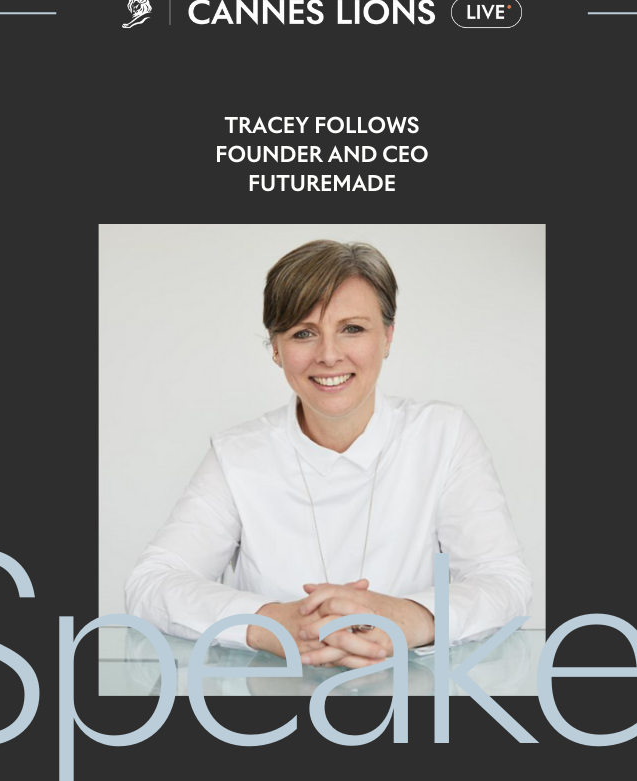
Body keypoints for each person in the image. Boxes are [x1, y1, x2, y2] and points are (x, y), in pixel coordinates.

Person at [124, 240, 532, 668]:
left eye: (352, 328)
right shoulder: (237, 454)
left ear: (388, 336)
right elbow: (151, 583)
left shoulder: (443, 435)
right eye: (304, 333)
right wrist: (272, 624)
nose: (329, 355)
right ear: (276, 348)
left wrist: (407, 618)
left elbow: (503, 580)